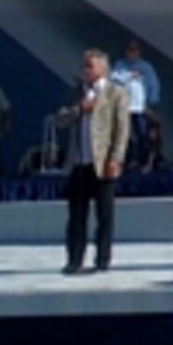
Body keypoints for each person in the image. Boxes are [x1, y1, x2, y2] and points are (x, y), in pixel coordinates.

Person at [55, 49, 130, 274]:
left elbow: (121, 130)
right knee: (76, 216)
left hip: (102, 163)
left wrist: (116, 159)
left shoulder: (115, 93)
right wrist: (79, 109)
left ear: (102, 69)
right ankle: (74, 259)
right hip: (79, 163)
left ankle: (102, 259)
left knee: (104, 215)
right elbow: (60, 120)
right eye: (84, 65)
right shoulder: (75, 93)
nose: (86, 70)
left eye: (90, 66)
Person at [112, 40, 161, 169]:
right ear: (126, 52)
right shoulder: (119, 66)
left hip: (141, 108)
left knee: (143, 135)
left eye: (135, 51)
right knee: (123, 136)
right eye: (130, 51)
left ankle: (143, 162)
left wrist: (152, 103)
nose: (132, 54)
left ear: (139, 52)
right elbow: (114, 81)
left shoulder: (146, 67)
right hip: (125, 107)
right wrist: (129, 76)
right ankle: (125, 162)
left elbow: (153, 85)